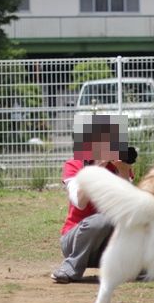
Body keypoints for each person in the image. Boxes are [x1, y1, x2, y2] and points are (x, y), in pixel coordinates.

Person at [51, 115, 135, 284]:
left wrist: (123, 171)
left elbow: (129, 206)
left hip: (105, 247)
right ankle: (71, 267)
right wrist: (96, 168)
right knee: (103, 219)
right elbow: (79, 202)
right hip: (74, 241)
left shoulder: (119, 167)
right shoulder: (74, 165)